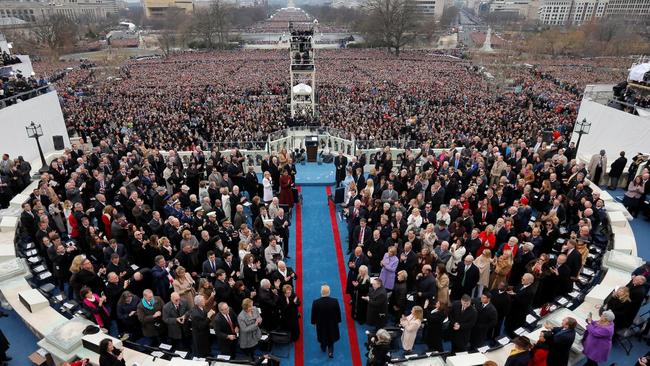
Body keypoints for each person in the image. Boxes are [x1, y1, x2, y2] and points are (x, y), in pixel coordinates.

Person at [311, 284, 341, 358]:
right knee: (331, 336)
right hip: (332, 323)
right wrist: (338, 321)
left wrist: (313, 322)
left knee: (322, 335)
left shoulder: (316, 302)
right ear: (329, 292)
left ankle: (323, 347)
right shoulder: (335, 301)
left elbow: (313, 314)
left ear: (321, 292)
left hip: (321, 323)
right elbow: (338, 313)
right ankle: (330, 352)